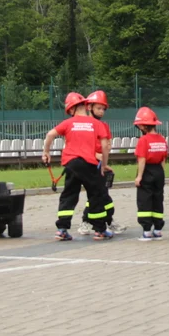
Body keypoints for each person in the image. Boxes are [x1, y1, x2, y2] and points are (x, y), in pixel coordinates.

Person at [43, 92, 113, 241]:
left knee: (69, 195)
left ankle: (62, 229)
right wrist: (104, 165)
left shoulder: (68, 123)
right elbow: (105, 146)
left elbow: (50, 134)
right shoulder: (97, 124)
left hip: (71, 164)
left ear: (72, 109)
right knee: (96, 194)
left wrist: (46, 152)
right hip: (89, 164)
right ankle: (100, 230)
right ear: (85, 106)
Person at [79, 90, 124, 235]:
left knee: (99, 195)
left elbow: (108, 145)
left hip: (100, 164)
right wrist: (96, 156)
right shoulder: (84, 125)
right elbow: (80, 146)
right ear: (89, 107)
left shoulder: (103, 126)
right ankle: (93, 222)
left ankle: (101, 221)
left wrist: (103, 161)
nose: (102, 111)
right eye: (98, 108)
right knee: (98, 195)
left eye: (103, 108)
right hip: (89, 164)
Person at [133, 107, 168, 241]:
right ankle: (158, 230)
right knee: (157, 199)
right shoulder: (161, 139)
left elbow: (142, 159)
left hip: (147, 171)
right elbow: (164, 158)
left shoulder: (144, 140)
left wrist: (139, 177)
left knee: (145, 200)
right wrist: (161, 174)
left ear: (142, 125)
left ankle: (146, 231)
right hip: (159, 171)